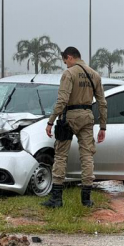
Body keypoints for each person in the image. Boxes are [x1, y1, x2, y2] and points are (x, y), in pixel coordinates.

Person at [42, 46, 107, 208]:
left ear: (70, 57)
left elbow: (62, 100)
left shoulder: (69, 74)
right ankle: (86, 199)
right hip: (87, 117)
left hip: (69, 118)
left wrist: (50, 121)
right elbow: (102, 103)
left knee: (61, 155)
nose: (66, 65)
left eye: (65, 61)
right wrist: (103, 126)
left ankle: (56, 198)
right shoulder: (95, 75)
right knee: (87, 156)